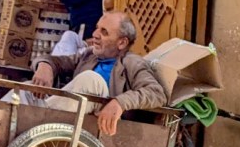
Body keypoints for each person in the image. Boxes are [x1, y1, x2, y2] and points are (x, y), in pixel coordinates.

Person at [16, 11, 167, 136]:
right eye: (97, 28)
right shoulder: (90, 55)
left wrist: (120, 102)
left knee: (91, 79)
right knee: (26, 89)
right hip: (72, 118)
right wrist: (45, 66)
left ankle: (37, 124)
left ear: (122, 43)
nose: (95, 34)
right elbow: (59, 61)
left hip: (101, 127)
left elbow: (157, 93)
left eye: (104, 32)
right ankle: (6, 133)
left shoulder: (133, 63)